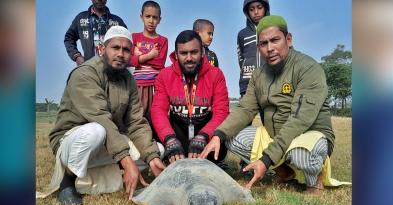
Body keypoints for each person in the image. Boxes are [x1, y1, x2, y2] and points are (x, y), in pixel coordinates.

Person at [200, 16, 335, 194]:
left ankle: (314, 180)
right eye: (263, 43)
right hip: (274, 136)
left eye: (275, 40)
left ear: (288, 39)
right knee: (231, 136)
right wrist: (218, 135)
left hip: (307, 135)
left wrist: (266, 160)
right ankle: (284, 172)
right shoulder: (258, 75)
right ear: (258, 48)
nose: (270, 48)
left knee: (301, 154)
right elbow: (245, 109)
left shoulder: (308, 68)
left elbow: (299, 120)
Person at [49, 26, 166, 205]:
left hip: (107, 142)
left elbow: (136, 122)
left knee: (158, 150)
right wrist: (126, 160)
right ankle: (67, 182)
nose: (121, 54)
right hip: (73, 140)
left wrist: (152, 157)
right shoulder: (85, 73)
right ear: (102, 49)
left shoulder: (128, 79)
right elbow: (101, 118)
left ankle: (95, 175)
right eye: (115, 48)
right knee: (95, 131)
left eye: (126, 50)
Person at [151, 30, 229, 168]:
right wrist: (169, 138)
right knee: (151, 125)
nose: (189, 58)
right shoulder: (164, 75)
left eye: (194, 52)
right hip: (177, 135)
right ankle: (170, 155)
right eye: (183, 53)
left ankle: (215, 160)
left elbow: (221, 111)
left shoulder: (216, 74)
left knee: (227, 132)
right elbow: (158, 110)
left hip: (204, 135)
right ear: (176, 55)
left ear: (202, 52)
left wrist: (205, 135)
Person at [129, 1, 168, 118]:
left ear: (159, 20)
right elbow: (129, 61)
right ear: (141, 17)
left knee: (156, 115)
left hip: (156, 85)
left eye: (155, 17)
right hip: (138, 84)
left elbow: (159, 63)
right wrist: (150, 55)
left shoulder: (163, 40)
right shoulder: (134, 37)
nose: (151, 21)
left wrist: (139, 56)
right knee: (137, 115)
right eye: (147, 16)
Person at [64, 0, 127, 66]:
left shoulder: (117, 21)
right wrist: (77, 56)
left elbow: (127, 43)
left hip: (112, 68)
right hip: (89, 67)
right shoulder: (81, 18)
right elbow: (69, 38)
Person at [237, 0, 270, 97]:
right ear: (247, 12)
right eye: (252, 9)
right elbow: (241, 59)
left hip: (270, 82)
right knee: (246, 111)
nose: (256, 12)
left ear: (265, 8)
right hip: (247, 85)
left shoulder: (273, 30)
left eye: (259, 8)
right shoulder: (242, 34)